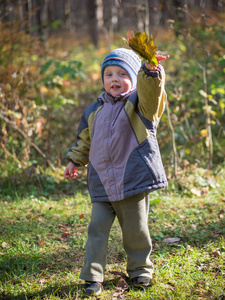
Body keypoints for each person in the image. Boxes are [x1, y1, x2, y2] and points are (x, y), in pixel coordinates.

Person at [64, 47, 169, 296]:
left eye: (122, 73)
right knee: (96, 229)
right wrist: (74, 161)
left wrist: (150, 73)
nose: (114, 79)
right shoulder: (93, 111)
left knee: (135, 230)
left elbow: (152, 94)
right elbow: (84, 140)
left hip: (131, 180)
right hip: (101, 181)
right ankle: (93, 276)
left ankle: (140, 270)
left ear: (133, 78)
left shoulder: (141, 107)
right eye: (108, 74)